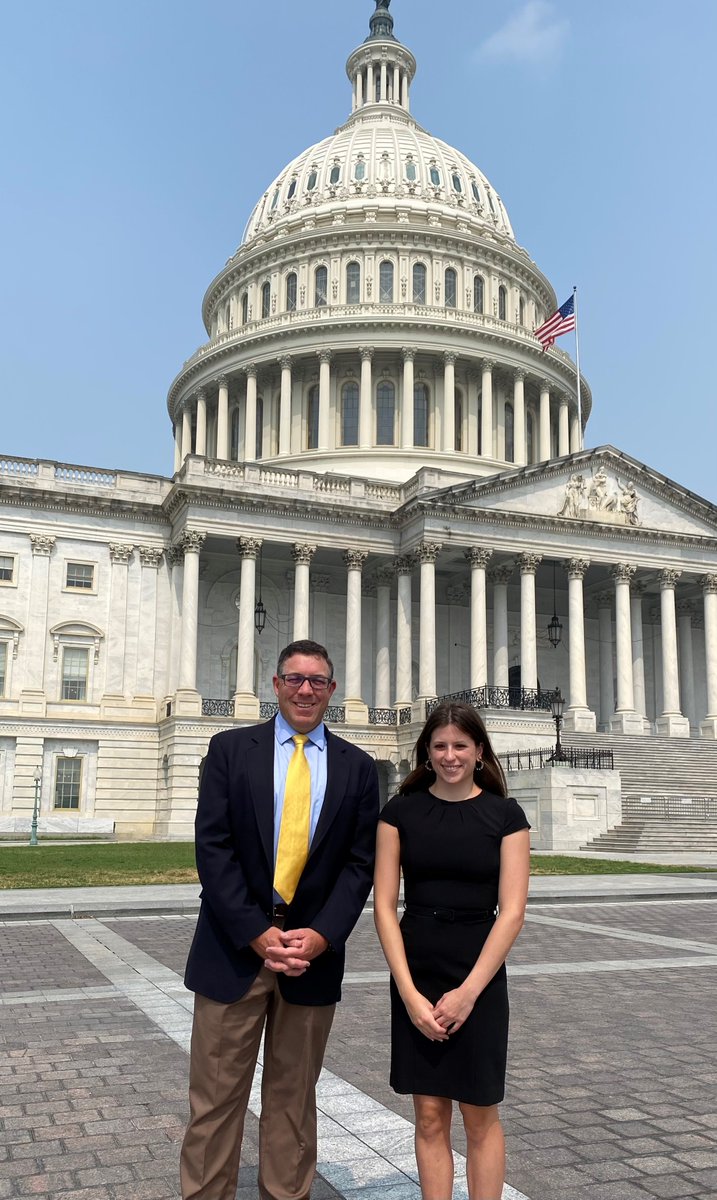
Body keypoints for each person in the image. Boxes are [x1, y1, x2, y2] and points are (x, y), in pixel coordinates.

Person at [180, 639, 380, 1200]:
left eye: (317, 681)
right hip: (232, 950)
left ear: (332, 691)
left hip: (309, 961)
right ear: (275, 685)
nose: (305, 690)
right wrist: (255, 930)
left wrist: (320, 936)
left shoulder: (358, 768)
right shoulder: (228, 750)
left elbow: (359, 865)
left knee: (293, 1103)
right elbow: (213, 850)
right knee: (215, 1102)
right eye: (295, 678)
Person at [374, 701, 530, 1200]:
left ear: (479, 750)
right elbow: (383, 906)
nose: (449, 756)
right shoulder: (400, 811)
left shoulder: (505, 815)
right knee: (428, 1115)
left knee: (480, 1112)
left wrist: (467, 993)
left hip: (478, 974)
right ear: (426, 752)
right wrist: (409, 994)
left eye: (460, 745)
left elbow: (511, 912)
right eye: (439, 746)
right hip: (417, 968)